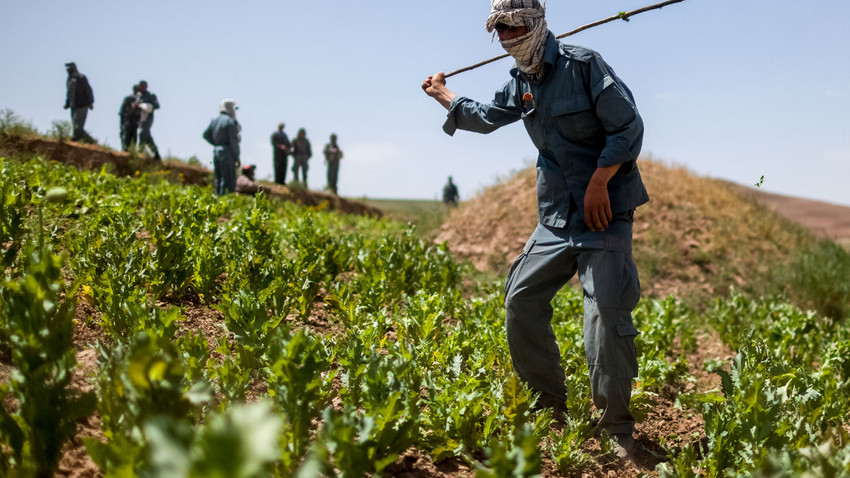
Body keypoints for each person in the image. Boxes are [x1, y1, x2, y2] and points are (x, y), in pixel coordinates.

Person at [421, 0, 648, 462]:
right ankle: (550, 407)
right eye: (498, 29)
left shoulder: (583, 65)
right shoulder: (520, 82)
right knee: (520, 299)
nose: (506, 37)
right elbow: (486, 116)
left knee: (604, 310)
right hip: (556, 218)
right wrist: (444, 96)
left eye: (514, 26)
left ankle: (617, 429)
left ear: (537, 24)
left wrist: (601, 181)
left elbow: (628, 126)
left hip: (603, 213)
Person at [203, 99, 241, 196]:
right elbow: (234, 142)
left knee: (218, 179)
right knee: (228, 179)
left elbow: (206, 135)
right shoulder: (230, 121)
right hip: (227, 152)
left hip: (216, 152)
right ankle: (225, 203)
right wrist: (236, 157)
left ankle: (218, 200)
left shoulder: (215, 120)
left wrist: (216, 143)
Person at [63, 62, 94, 142]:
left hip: (82, 104)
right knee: (75, 123)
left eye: (69, 68)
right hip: (73, 105)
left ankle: (77, 139)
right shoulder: (69, 79)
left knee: (78, 122)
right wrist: (67, 103)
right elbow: (69, 93)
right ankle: (87, 140)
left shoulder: (81, 78)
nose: (68, 70)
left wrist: (90, 102)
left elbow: (88, 90)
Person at [136, 80, 161, 160]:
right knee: (147, 138)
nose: (142, 87)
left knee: (142, 133)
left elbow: (157, 106)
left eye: (143, 86)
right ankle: (156, 155)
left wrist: (149, 106)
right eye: (141, 86)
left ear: (146, 87)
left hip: (148, 118)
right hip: (140, 118)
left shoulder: (151, 96)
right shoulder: (138, 96)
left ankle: (140, 151)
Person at [118, 84, 141, 151]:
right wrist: (122, 123)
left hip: (135, 121)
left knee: (134, 137)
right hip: (127, 119)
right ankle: (124, 150)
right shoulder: (128, 99)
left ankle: (132, 151)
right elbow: (122, 111)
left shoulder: (140, 100)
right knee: (126, 134)